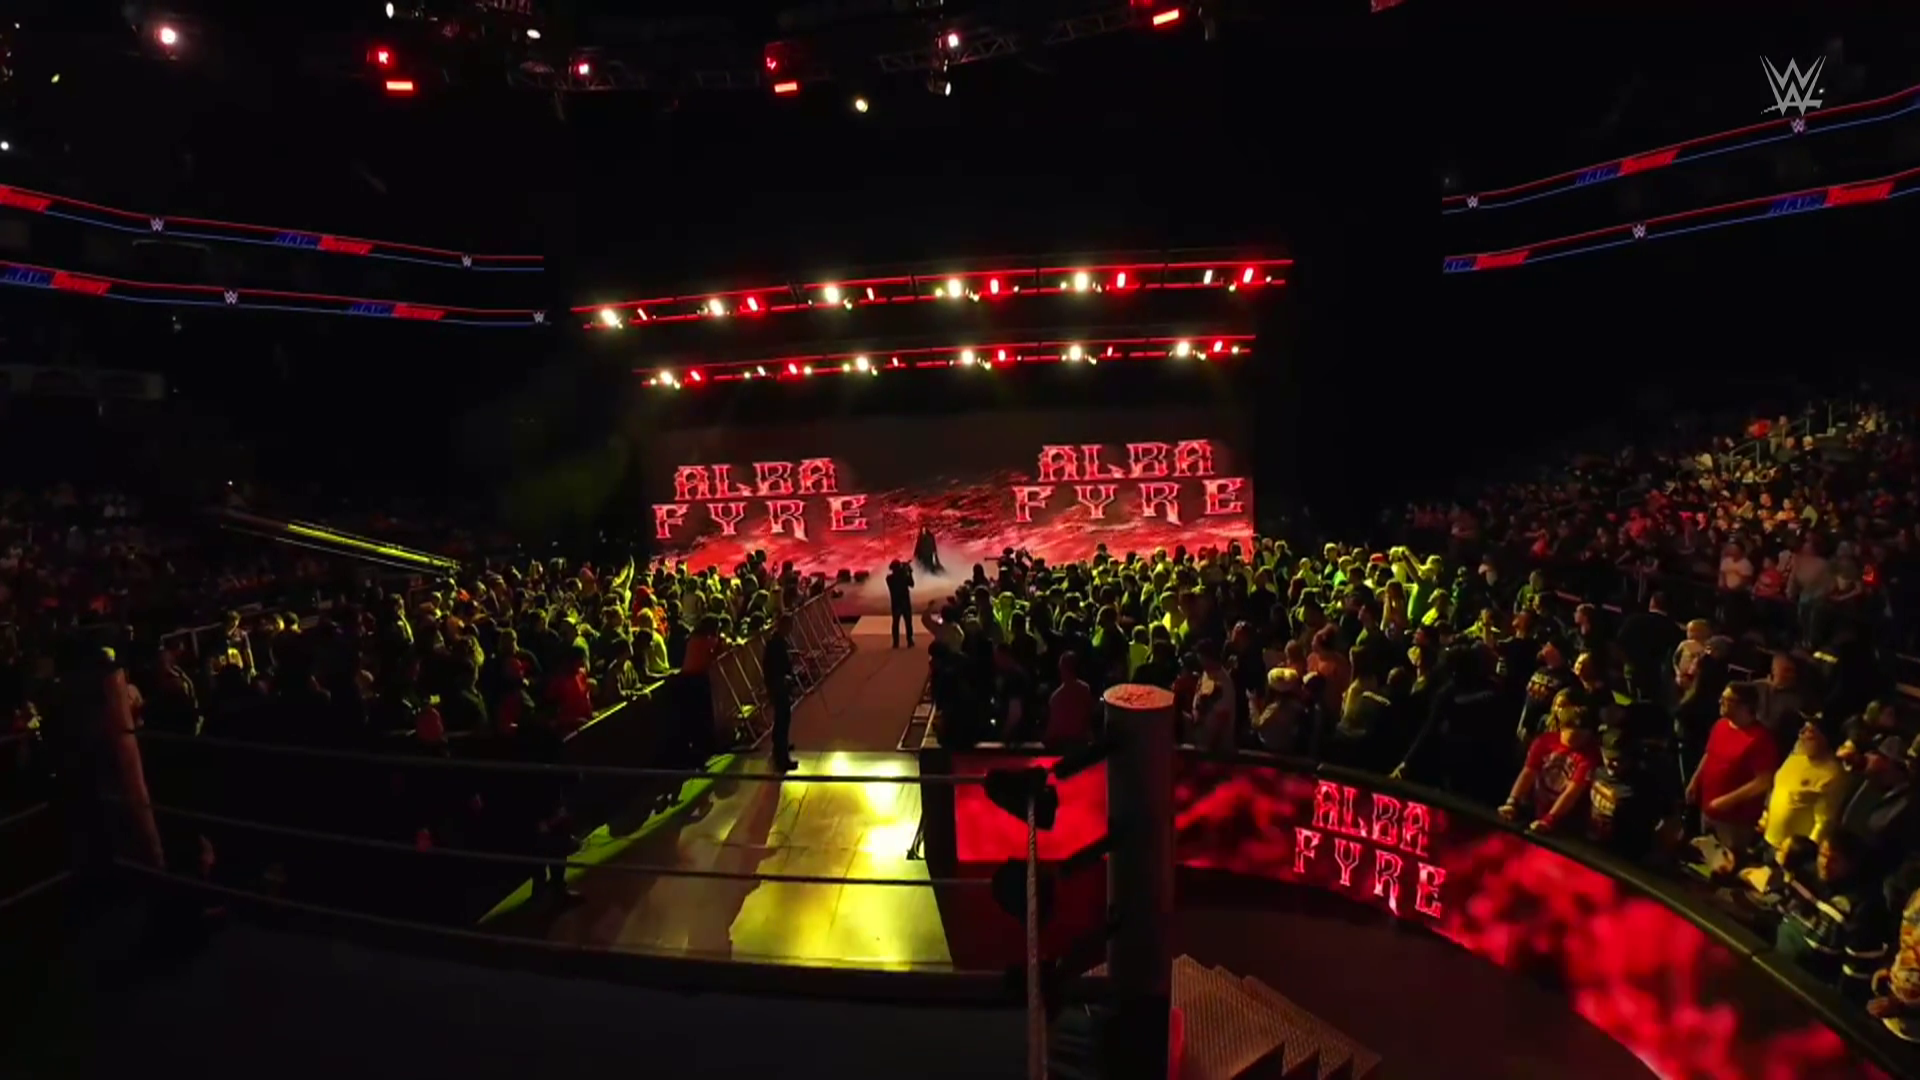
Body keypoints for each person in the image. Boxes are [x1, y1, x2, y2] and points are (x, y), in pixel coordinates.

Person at [1687, 682, 1780, 853]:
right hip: (1709, 809)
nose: (1720, 702)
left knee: (1728, 860)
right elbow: (1709, 754)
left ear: (1745, 706)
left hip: (1734, 820)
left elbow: (1763, 782)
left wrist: (1727, 801)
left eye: (1727, 699)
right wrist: (1695, 780)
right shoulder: (1721, 725)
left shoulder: (1760, 739)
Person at [1502, 696, 1600, 834]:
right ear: (1561, 728)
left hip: (1566, 818)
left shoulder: (1589, 756)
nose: (1576, 739)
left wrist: (1550, 820)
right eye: (1571, 735)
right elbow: (1528, 772)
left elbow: (1572, 792)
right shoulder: (1544, 742)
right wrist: (1513, 802)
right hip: (1534, 804)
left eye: (1581, 735)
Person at [763, 613, 797, 771]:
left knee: (782, 718)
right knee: (782, 718)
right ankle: (781, 756)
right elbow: (775, 666)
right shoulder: (776, 644)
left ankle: (780, 746)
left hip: (778, 684)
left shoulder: (777, 641)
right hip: (778, 685)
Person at [886, 560, 915, 649]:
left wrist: (905, 571)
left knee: (896, 623)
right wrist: (909, 572)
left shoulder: (889, 578)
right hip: (905, 602)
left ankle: (896, 642)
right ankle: (909, 640)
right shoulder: (903, 576)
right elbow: (912, 584)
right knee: (908, 623)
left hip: (896, 603)